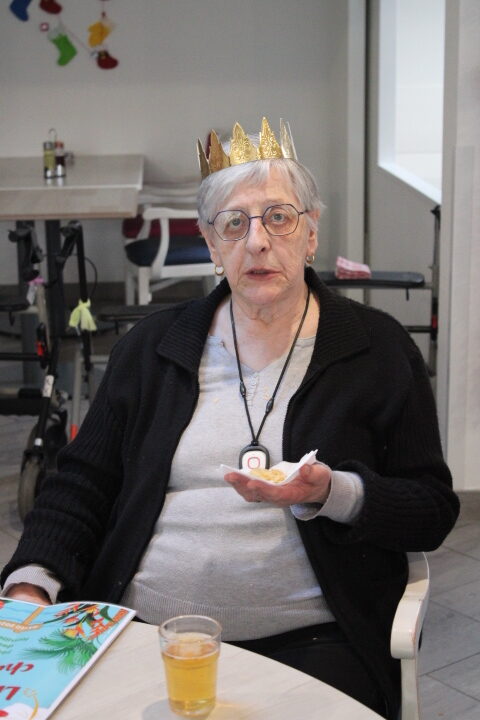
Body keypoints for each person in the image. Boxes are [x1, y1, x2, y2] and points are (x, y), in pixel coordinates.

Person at [1, 118, 459, 719]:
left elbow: (431, 509)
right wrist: (30, 585)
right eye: (234, 224)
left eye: (279, 217)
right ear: (212, 245)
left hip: (312, 642)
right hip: (145, 632)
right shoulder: (153, 348)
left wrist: (332, 492)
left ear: (311, 232)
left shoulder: (376, 349)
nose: (257, 241)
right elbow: (80, 484)